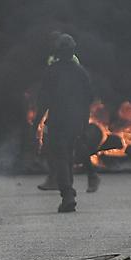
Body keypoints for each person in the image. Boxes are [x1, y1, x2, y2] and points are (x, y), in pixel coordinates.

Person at [38, 33, 95, 213]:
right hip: (75, 122)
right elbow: (88, 101)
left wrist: (36, 123)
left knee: (61, 157)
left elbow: (44, 100)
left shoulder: (51, 71)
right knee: (67, 156)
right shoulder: (81, 72)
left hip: (58, 121)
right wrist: (84, 125)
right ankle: (70, 188)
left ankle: (67, 194)